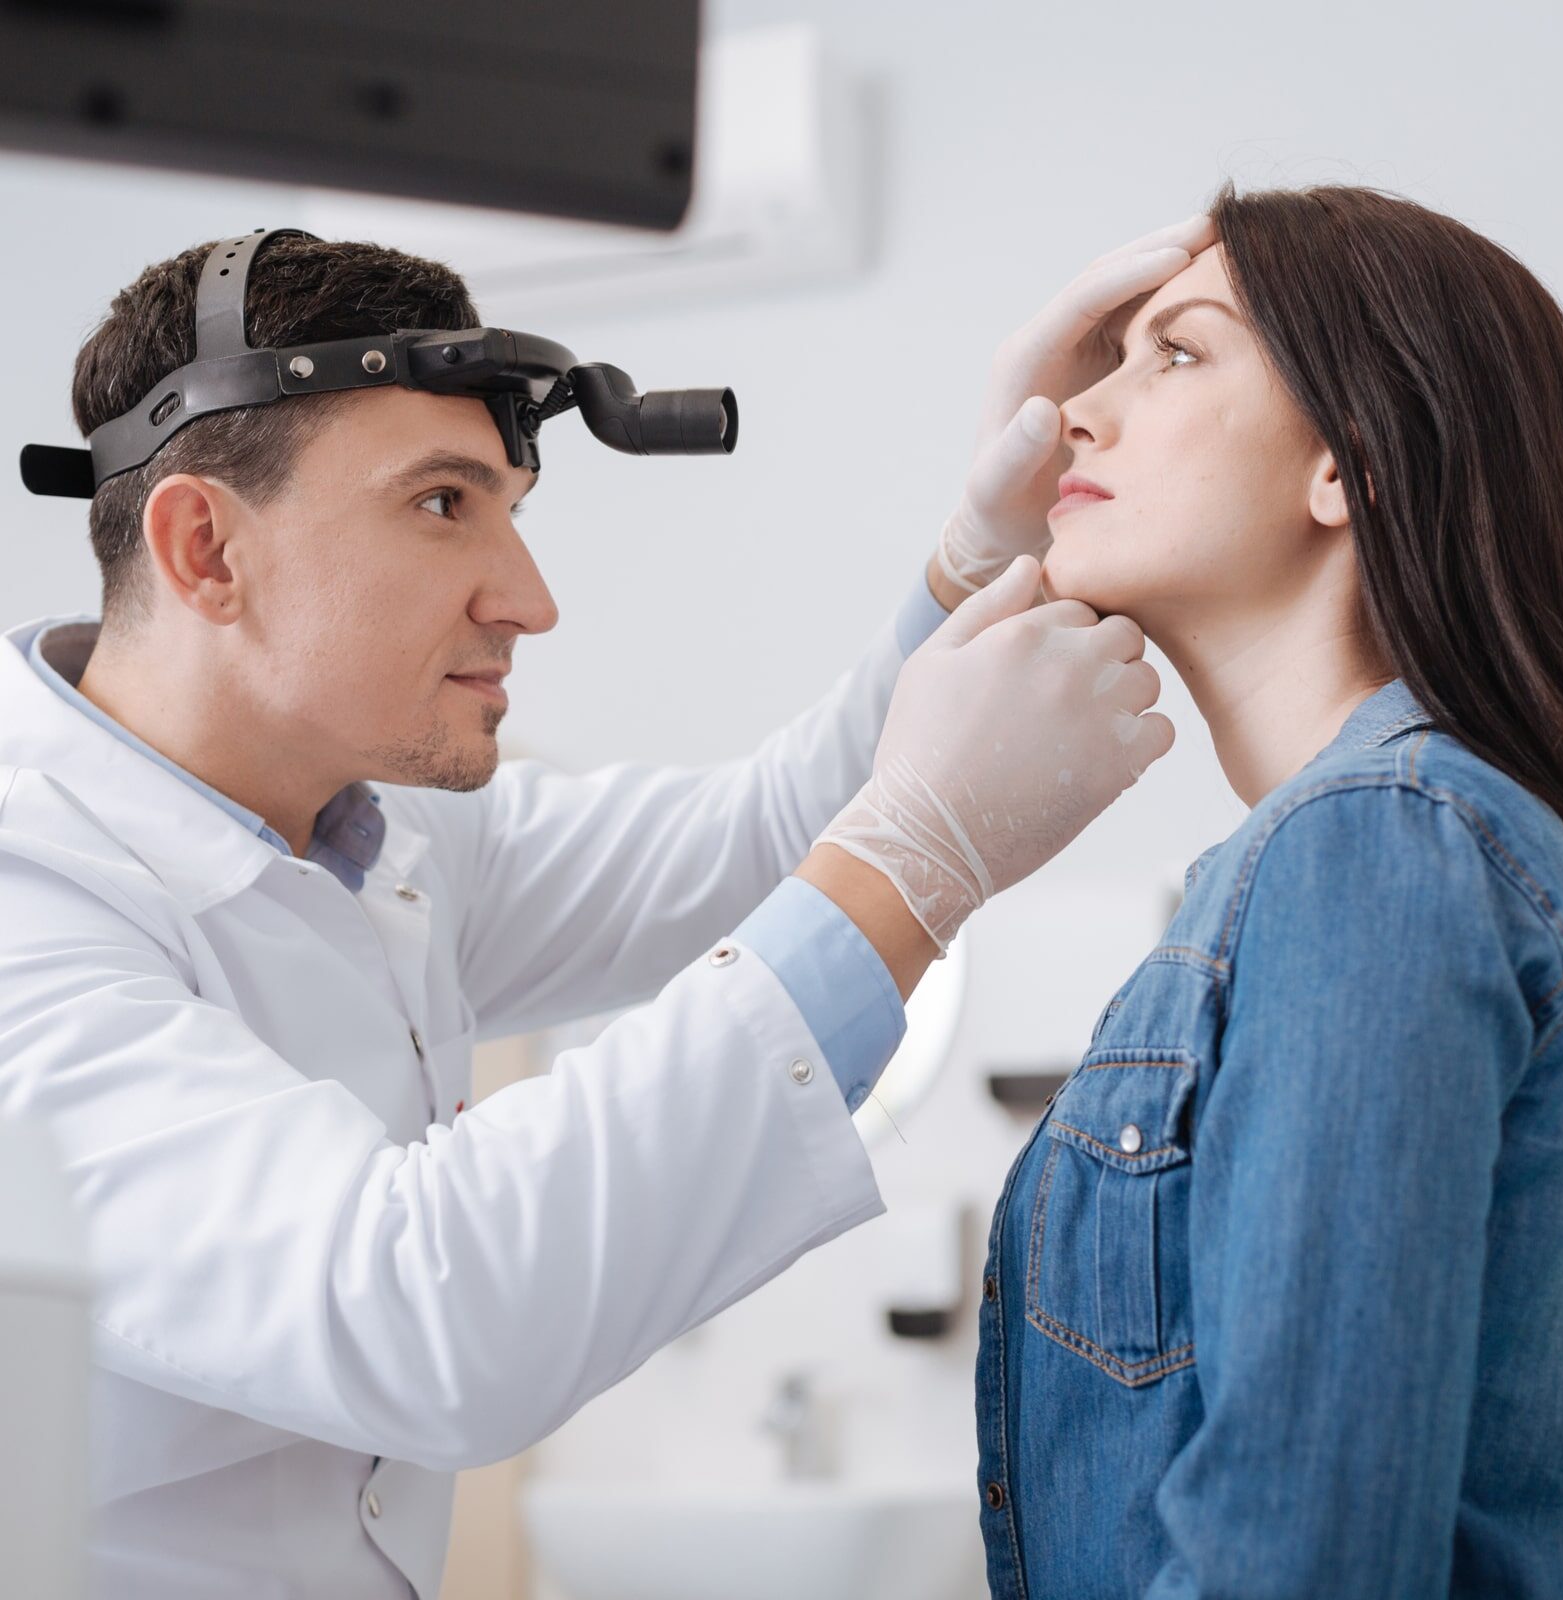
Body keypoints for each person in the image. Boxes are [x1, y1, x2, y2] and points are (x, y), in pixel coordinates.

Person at [0, 217, 1205, 1598]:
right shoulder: (31, 894)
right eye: (444, 503)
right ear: (205, 547)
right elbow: (416, 1312)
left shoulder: (383, 841)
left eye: (514, 510)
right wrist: (916, 858)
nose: (531, 599)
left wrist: (978, 565)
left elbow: (754, 840)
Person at [973, 181, 1563, 1599]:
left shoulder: (1377, 842)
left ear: (1349, 463)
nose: (1077, 410)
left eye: (1175, 352)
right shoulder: (1356, 850)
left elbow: (1306, 1556)